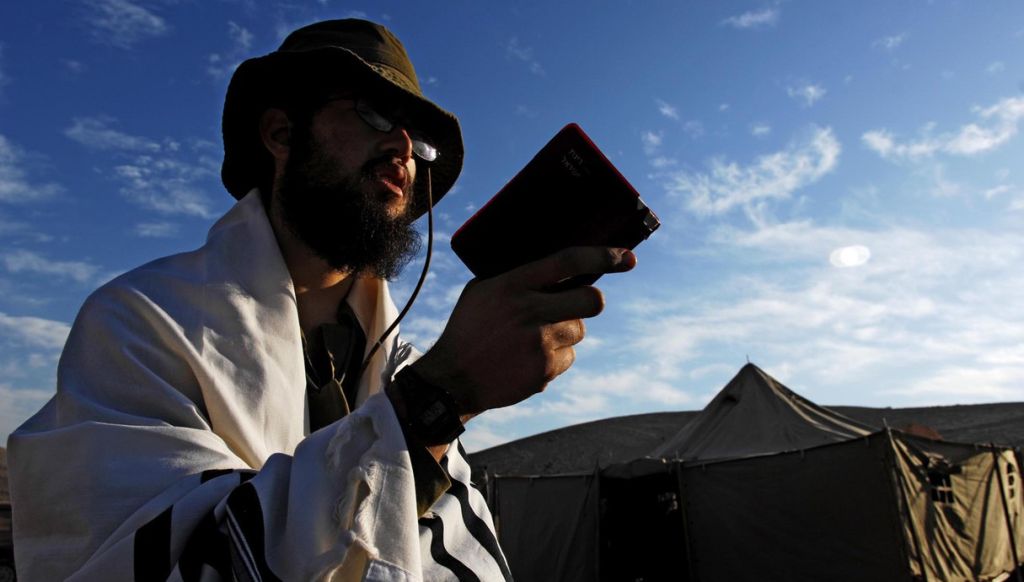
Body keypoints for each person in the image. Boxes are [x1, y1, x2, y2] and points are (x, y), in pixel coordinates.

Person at [7, 18, 636, 581]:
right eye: (372, 113)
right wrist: (440, 399)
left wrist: (437, 402)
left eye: (418, 143)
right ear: (281, 133)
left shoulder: (400, 364)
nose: (402, 148)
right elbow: (163, 560)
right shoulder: (142, 323)